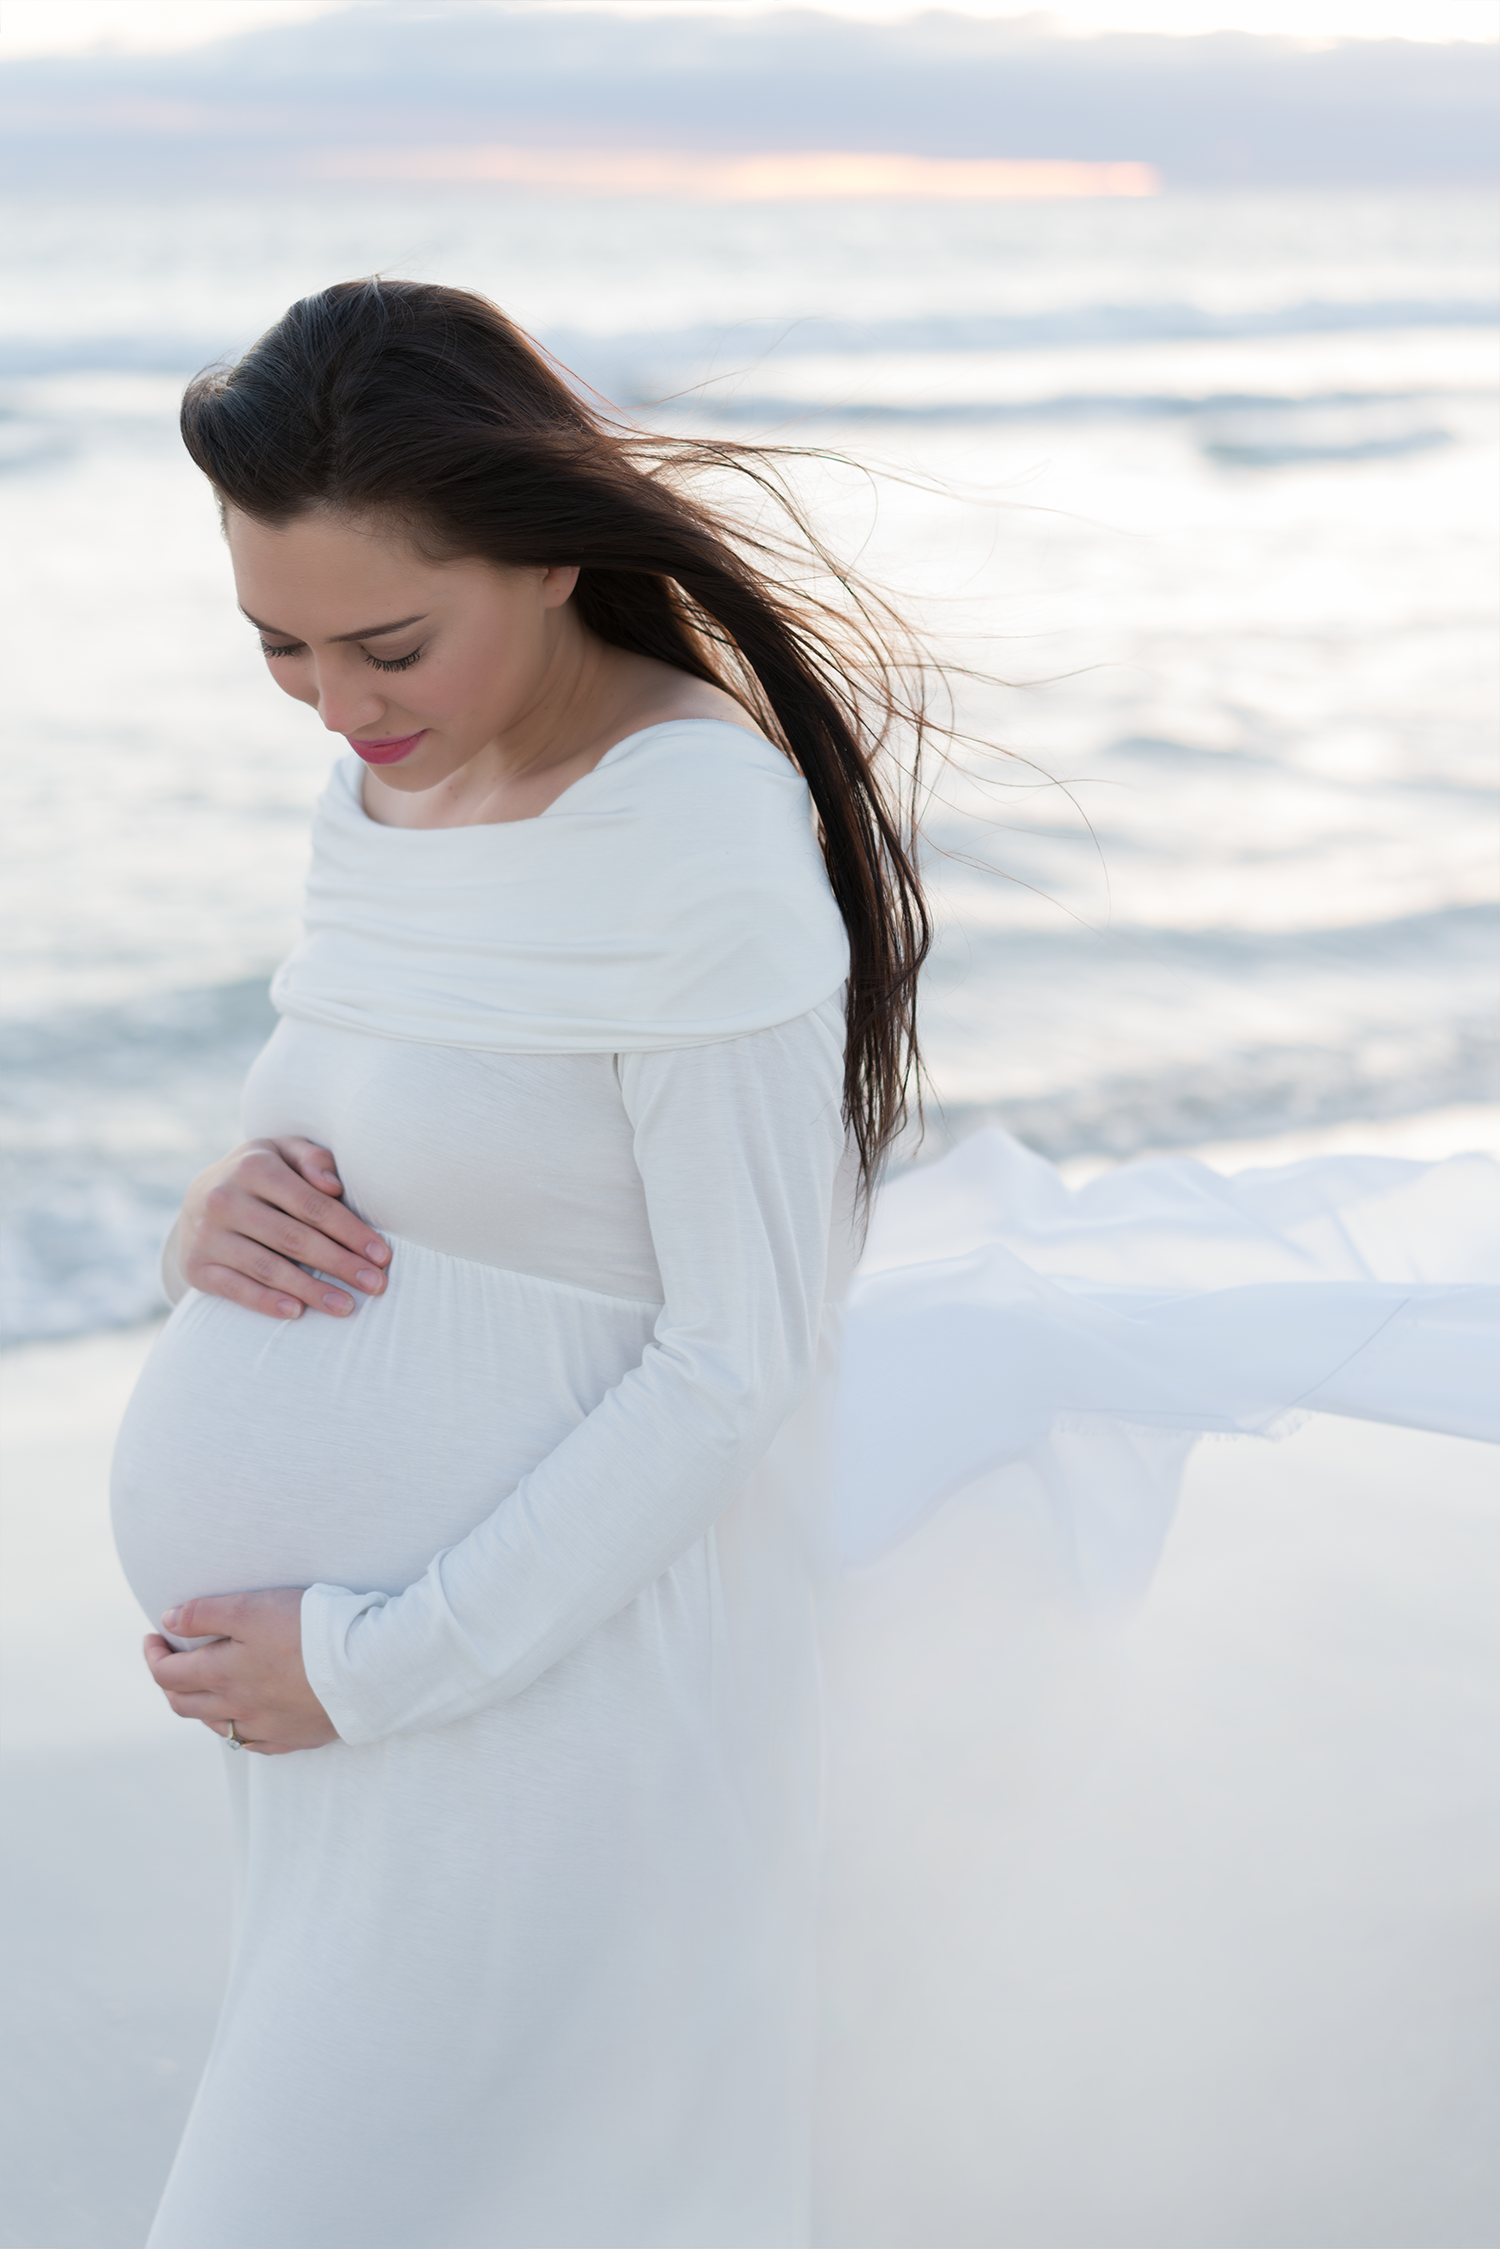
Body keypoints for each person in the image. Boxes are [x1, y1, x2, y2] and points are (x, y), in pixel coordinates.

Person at [109, 276, 928, 2249]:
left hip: (531, 1699)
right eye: (278, 647)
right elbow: (375, 1119)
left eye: (387, 639)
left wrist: (373, 1663)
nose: (336, 699)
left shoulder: (699, 833)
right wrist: (203, 1213)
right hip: (354, 1723)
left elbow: (744, 1351)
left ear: (553, 551)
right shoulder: (383, 782)